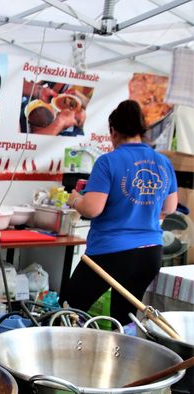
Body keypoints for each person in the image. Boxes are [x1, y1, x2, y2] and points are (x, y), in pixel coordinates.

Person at [62, 100, 178, 325]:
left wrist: (76, 199)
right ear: (140, 130)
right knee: (124, 319)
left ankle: (62, 356)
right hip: (150, 253)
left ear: (113, 131)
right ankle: (121, 358)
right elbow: (170, 208)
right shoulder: (163, 162)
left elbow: (93, 208)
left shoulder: (108, 161)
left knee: (69, 309)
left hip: (111, 253)